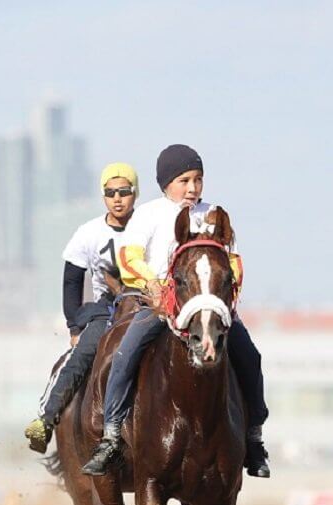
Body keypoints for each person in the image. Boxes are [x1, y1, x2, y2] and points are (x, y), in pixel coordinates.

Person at [80, 144, 271, 478]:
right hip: (159, 307)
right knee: (124, 354)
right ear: (166, 183)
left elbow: (234, 264)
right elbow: (129, 259)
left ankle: (253, 439)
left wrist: (223, 300)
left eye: (198, 179)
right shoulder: (150, 215)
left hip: (209, 307)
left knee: (250, 357)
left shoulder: (215, 215)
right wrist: (156, 285)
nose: (193, 187)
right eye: (184, 180)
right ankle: (111, 433)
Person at [24, 163, 139, 453]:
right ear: (103, 196)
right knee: (83, 353)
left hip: (147, 305)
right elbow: (71, 282)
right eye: (110, 192)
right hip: (108, 310)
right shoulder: (88, 233)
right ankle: (46, 419)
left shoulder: (149, 225)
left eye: (123, 191)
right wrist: (74, 327)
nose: (117, 198)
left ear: (134, 194)